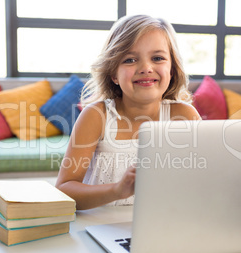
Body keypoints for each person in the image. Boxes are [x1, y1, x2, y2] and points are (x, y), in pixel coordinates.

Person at [56, 14, 201, 210]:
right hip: (100, 228)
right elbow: (64, 189)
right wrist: (117, 190)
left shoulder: (184, 116)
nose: (146, 68)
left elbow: (204, 182)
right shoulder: (96, 116)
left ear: (172, 69)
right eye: (130, 60)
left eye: (157, 58)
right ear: (114, 74)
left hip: (162, 227)